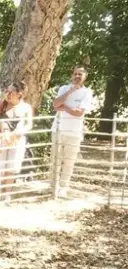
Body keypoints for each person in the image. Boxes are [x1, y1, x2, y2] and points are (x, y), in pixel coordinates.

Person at [0, 81, 33, 200]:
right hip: (1, 139)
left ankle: (7, 193)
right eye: (7, 91)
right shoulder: (3, 105)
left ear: (19, 94)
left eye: (11, 92)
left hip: (16, 140)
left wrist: (18, 133)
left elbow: (29, 124)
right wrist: (1, 101)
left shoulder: (26, 107)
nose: (8, 93)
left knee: (11, 167)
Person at [51, 66, 94, 198]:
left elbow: (79, 113)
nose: (77, 76)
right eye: (75, 74)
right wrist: (70, 92)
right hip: (58, 129)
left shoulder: (87, 93)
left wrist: (64, 107)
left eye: (80, 75)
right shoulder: (64, 88)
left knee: (69, 161)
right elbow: (55, 104)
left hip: (74, 132)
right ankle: (53, 186)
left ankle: (63, 187)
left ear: (84, 77)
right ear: (72, 75)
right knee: (55, 159)